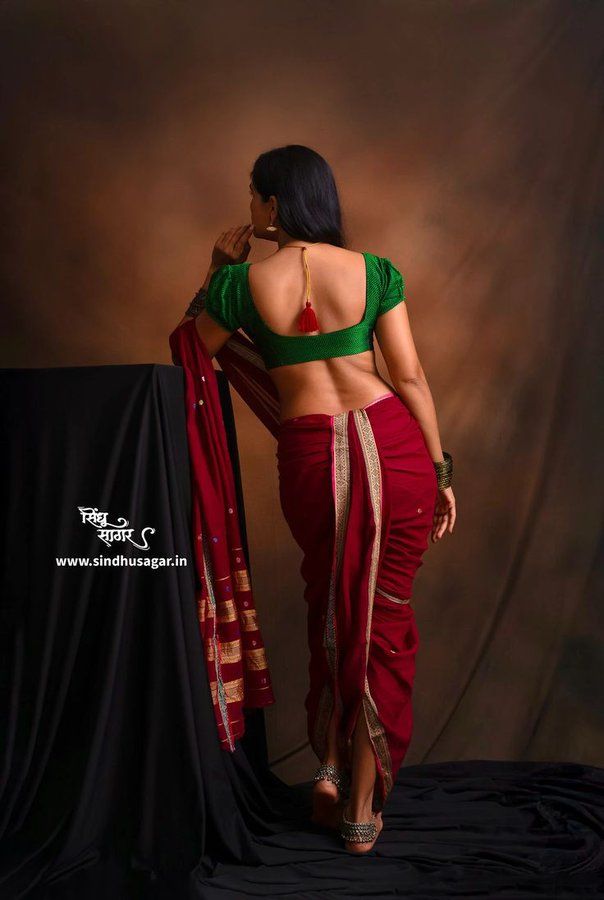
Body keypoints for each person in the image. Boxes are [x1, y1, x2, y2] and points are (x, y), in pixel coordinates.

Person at [175, 144, 456, 855]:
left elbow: (190, 353)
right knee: (380, 619)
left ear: (273, 205)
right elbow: (410, 378)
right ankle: (360, 807)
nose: (248, 206)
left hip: (309, 457)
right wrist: (441, 469)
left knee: (332, 604)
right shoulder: (375, 272)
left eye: (253, 194)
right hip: (395, 450)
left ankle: (331, 763)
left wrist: (215, 273)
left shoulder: (239, 283)